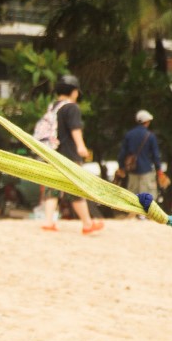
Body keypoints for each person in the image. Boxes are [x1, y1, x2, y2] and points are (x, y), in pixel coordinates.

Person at [40, 73, 99, 234]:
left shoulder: (53, 107)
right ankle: (87, 224)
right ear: (73, 91)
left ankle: (48, 221)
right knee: (76, 188)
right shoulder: (72, 107)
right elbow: (75, 128)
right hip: (68, 154)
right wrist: (81, 146)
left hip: (52, 153)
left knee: (52, 187)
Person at [120, 109, 162, 203]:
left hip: (132, 168)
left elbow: (123, 153)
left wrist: (121, 167)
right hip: (146, 169)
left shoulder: (129, 135)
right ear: (146, 122)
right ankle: (143, 215)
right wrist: (158, 169)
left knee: (132, 193)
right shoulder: (150, 136)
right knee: (146, 193)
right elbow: (156, 155)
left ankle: (133, 214)